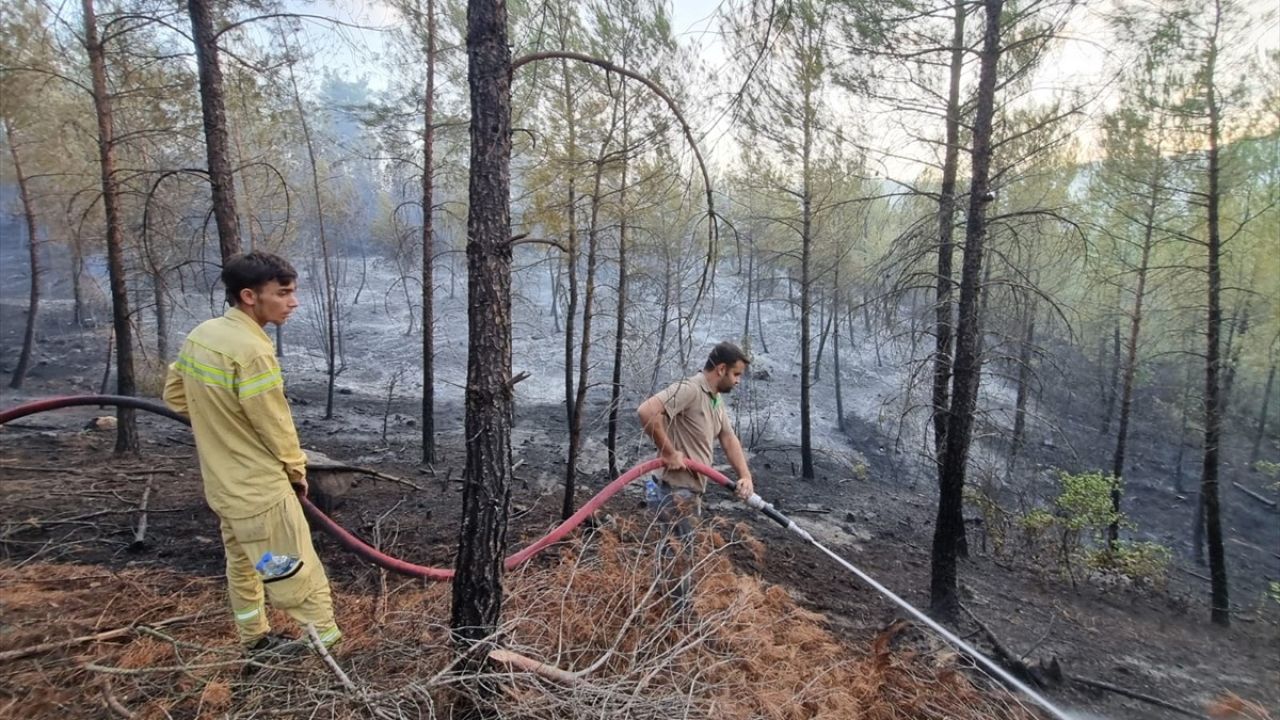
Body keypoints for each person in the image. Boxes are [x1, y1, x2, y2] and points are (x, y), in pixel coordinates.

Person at [163, 252, 341, 657]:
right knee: (295, 573)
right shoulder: (253, 351)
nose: (292, 302)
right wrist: (297, 472)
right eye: (283, 293)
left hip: (223, 488)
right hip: (260, 492)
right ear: (249, 296)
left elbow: (174, 397)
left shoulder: (203, 334)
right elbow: (275, 425)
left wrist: (220, 424)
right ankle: (330, 659)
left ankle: (255, 641)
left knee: (245, 565)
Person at [637, 341, 756, 610]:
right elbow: (646, 411)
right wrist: (668, 451)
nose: (738, 382)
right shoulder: (691, 388)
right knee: (680, 557)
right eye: (736, 375)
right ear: (721, 369)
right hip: (672, 490)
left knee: (676, 554)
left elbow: (728, 438)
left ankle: (661, 611)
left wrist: (745, 475)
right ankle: (676, 620)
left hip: (687, 492)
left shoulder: (714, 398)